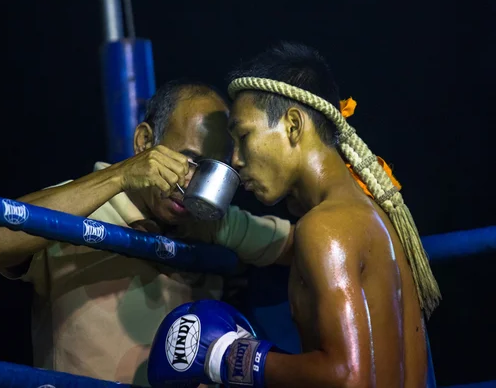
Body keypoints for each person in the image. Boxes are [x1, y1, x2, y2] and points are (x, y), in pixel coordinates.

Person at [147, 43, 441, 387]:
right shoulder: (373, 215)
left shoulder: (325, 228)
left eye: (243, 136)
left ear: (292, 125)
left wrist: (227, 356)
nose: (236, 160)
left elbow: (348, 377)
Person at [0, 80, 295, 386]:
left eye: (209, 169)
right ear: (144, 142)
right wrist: (121, 176)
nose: (193, 182)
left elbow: (306, 245)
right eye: (188, 160)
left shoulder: (209, 221)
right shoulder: (76, 206)